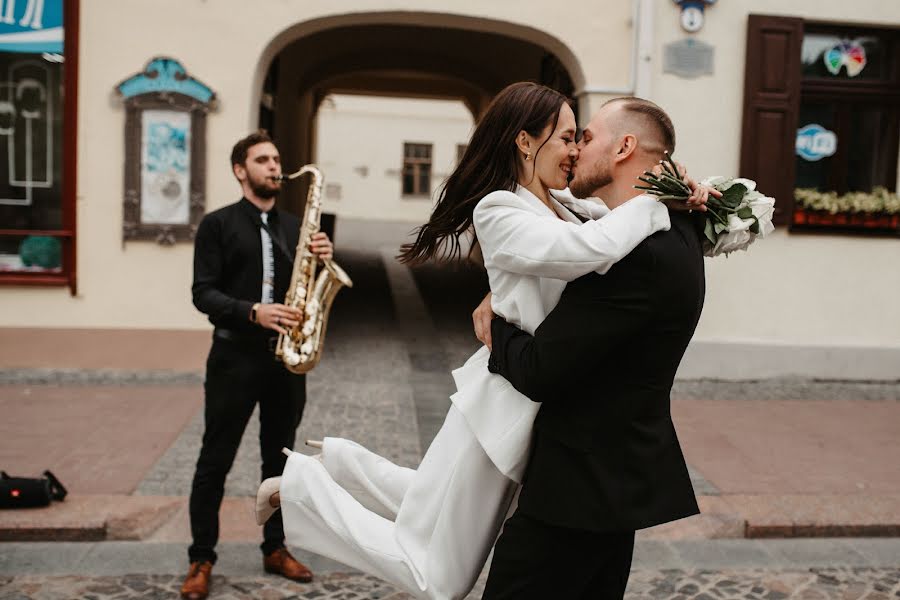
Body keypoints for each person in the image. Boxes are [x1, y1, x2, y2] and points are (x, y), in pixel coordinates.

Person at [259, 83, 710, 600]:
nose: (575, 150)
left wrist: (684, 191)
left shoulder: (566, 204)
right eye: (568, 137)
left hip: (529, 409)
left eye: (580, 137)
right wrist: (659, 201)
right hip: (503, 402)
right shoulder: (500, 207)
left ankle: (336, 461)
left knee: (431, 501)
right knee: (440, 572)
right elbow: (594, 248)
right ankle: (302, 486)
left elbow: (615, 228)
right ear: (525, 142)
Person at [480, 97, 706, 599]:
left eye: (585, 137)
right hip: (613, 485)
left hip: (576, 493)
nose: (575, 150)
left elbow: (540, 369)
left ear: (625, 146)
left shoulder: (633, 258)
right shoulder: (679, 227)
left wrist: (496, 325)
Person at [181, 131, 334, 600]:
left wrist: (322, 261)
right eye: (262, 159)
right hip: (234, 356)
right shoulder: (217, 225)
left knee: (280, 463)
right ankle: (201, 558)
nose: (273, 166)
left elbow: (305, 290)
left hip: (284, 361)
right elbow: (202, 293)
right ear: (239, 170)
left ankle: (275, 547)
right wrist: (254, 311)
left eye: (276, 158)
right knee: (215, 460)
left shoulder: (296, 228)